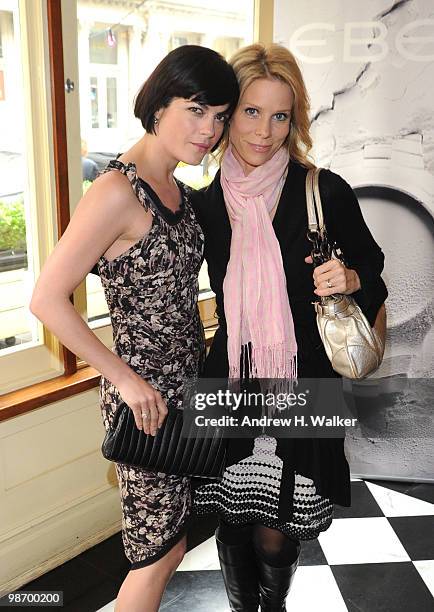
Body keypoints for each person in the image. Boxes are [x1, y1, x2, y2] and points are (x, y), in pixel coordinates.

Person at [30, 45, 238, 612]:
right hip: (143, 404)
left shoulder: (181, 191)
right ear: (158, 103)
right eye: (196, 110)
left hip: (189, 390)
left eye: (219, 116)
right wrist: (124, 380)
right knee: (155, 555)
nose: (209, 130)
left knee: (173, 545)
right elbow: (47, 299)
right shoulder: (116, 192)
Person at [191, 43, 387, 612]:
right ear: (228, 113)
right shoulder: (204, 203)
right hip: (228, 376)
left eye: (281, 115)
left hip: (305, 379)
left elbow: (372, 268)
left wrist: (349, 277)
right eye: (251, 112)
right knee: (231, 519)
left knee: (279, 523)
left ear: (294, 119)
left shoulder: (322, 190)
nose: (265, 131)